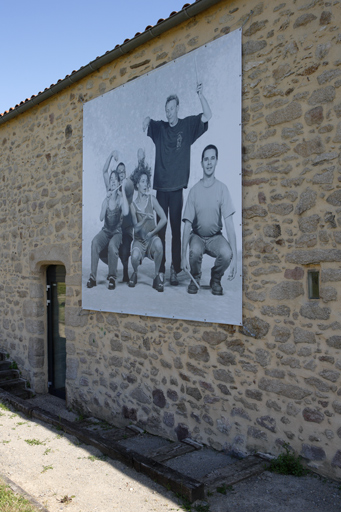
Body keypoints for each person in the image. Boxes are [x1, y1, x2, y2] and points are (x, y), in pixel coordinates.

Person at [142, 83, 212, 286]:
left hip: (177, 189)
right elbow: (149, 122)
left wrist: (201, 94)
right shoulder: (161, 128)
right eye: (166, 109)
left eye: (171, 109)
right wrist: (146, 119)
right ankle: (161, 270)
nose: (169, 112)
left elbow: (207, 115)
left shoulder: (187, 126)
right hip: (161, 190)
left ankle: (176, 268)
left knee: (176, 230)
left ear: (177, 109)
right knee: (161, 231)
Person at [181, 144, 237, 295]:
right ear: (201, 163)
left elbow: (230, 225)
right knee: (194, 251)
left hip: (215, 237)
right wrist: (182, 257)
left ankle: (216, 279)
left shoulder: (222, 189)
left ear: (216, 161)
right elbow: (187, 226)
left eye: (212, 158)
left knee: (227, 253)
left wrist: (235, 260)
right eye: (206, 159)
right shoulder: (194, 191)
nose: (209, 162)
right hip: (197, 237)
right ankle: (195, 277)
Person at [87, 170, 129, 290]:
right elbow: (101, 218)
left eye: (115, 179)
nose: (113, 181)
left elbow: (125, 212)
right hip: (106, 231)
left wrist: (124, 191)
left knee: (112, 246)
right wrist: (105, 202)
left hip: (117, 232)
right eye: (111, 179)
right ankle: (93, 278)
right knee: (94, 242)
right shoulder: (106, 199)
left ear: (119, 182)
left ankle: (112, 277)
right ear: (109, 183)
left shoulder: (121, 199)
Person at [128, 162, 167, 292]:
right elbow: (136, 227)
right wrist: (145, 218)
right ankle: (135, 272)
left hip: (151, 238)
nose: (145, 184)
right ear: (137, 185)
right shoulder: (133, 205)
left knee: (159, 245)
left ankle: (156, 277)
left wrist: (153, 232)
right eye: (142, 182)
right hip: (139, 241)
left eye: (146, 181)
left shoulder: (152, 199)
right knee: (134, 257)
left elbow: (164, 219)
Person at [101, 152, 134, 282]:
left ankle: (125, 270)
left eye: (123, 171)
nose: (121, 173)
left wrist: (125, 183)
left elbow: (130, 185)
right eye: (118, 171)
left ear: (125, 173)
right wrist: (110, 155)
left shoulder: (127, 187)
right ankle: (113, 267)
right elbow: (104, 172)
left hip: (126, 230)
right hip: (113, 230)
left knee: (125, 249)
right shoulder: (112, 187)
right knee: (103, 249)